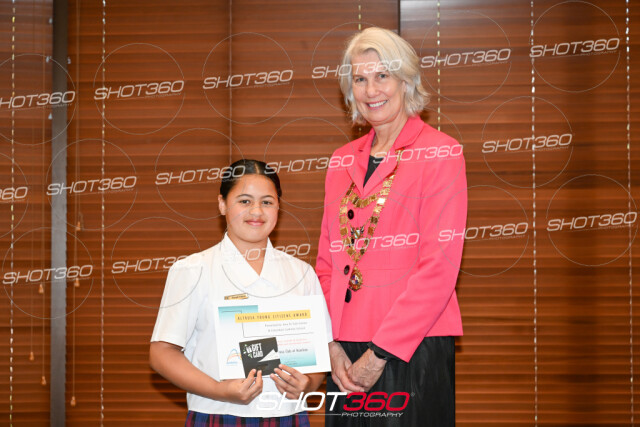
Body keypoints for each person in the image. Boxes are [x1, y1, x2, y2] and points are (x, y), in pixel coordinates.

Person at [316, 27, 467, 426]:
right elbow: (326, 265)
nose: (371, 90)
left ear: (405, 80)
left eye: (382, 75)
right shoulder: (340, 160)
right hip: (344, 352)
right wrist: (328, 344)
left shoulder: (441, 152)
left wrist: (380, 352)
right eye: (360, 79)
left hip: (410, 348)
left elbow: (439, 268)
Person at [150, 159, 332, 426]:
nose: (256, 211)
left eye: (267, 202)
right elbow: (162, 352)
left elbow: (319, 354)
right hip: (218, 413)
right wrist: (220, 390)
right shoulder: (192, 269)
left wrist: (307, 384)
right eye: (244, 201)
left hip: (287, 415)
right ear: (222, 204)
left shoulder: (301, 273)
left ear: (278, 207)